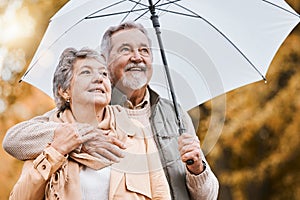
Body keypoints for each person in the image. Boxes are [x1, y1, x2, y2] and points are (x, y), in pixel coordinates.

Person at [3, 21, 219, 199]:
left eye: (144, 50)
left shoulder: (173, 115)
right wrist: (74, 136)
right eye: (126, 49)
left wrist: (197, 168)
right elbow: (14, 140)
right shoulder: (70, 117)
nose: (137, 56)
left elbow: (203, 196)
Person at [8, 47, 171, 199]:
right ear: (64, 90)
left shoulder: (137, 132)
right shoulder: (47, 136)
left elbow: (161, 195)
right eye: (86, 72)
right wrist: (61, 147)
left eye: (104, 74)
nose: (99, 79)